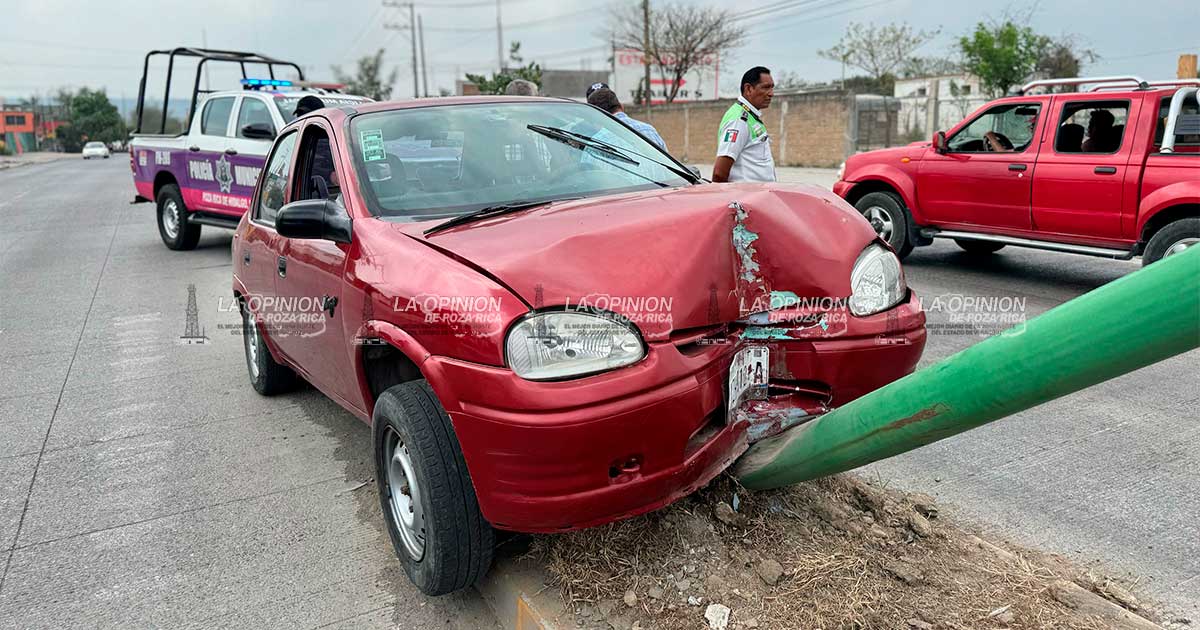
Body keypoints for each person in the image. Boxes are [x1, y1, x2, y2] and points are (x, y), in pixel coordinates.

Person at [713, 66, 775, 183]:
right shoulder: (739, 120)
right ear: (748, 89)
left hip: (758, 196)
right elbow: (719, 173)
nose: (771, 94)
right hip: (747, 198)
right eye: (766, 88)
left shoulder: (750, 116)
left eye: (772, 88)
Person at [585, 87, 666, 150]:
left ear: (595, 116)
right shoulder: (649, 130)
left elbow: (587, 170)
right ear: (621, 106)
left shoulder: (597, 142)